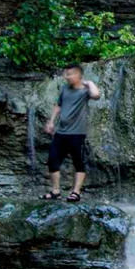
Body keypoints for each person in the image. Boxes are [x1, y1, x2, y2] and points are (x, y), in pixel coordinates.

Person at [42, 64, 101, 202]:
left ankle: (76, 192)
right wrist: (51, 121)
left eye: (70, 74)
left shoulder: (85, 91)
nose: (66, 77)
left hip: (77, 133)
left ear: (79, 75)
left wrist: (90, 83)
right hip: (61, 132)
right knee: (52, 160)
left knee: (78, 162)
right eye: (66, 74)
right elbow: (58, 106)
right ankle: (56, 191)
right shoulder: (64, 89)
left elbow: (96, 95)